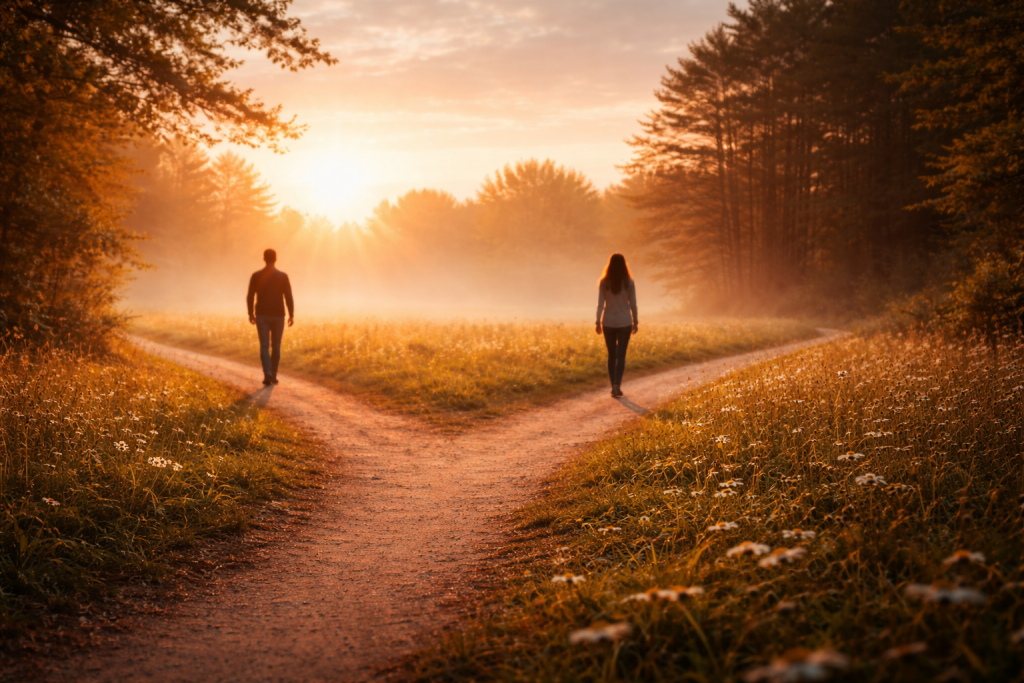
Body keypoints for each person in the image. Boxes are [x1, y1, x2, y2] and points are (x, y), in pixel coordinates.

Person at [247, 249, 294, 386]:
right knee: (276, 346)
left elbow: (250, 295)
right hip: (279, 315)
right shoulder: (283, 276)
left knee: (264, 346)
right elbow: (288, 296)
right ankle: (273, 375)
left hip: (261, 315)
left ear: (264, 259)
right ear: (276, 259)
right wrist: (291, 314)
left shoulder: (256, 276)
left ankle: (267, 373)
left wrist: (250, 313)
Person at [595, 253, 638, 398]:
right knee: (621, 356)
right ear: (624, 265)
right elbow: (633, 304)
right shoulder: (629, 282)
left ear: (610, 265)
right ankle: (616, 385)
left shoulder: (604, 283)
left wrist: (598, 321)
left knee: (611, 355)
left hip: (608, 322)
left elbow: (601, 304)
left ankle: (613, 384)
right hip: (625, 322)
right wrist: (635, 321)